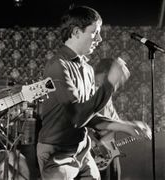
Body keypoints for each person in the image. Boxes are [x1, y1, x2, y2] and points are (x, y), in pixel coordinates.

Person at [36, 6, 151, 180]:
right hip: (57, 152)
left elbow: (89, 115)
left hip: (82, 148)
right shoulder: (57, 66)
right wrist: (110, 84)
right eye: (95, 32)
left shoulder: (88, 70)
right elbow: (77, 118)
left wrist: (125, 126)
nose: (99, 38)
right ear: (76, 32)